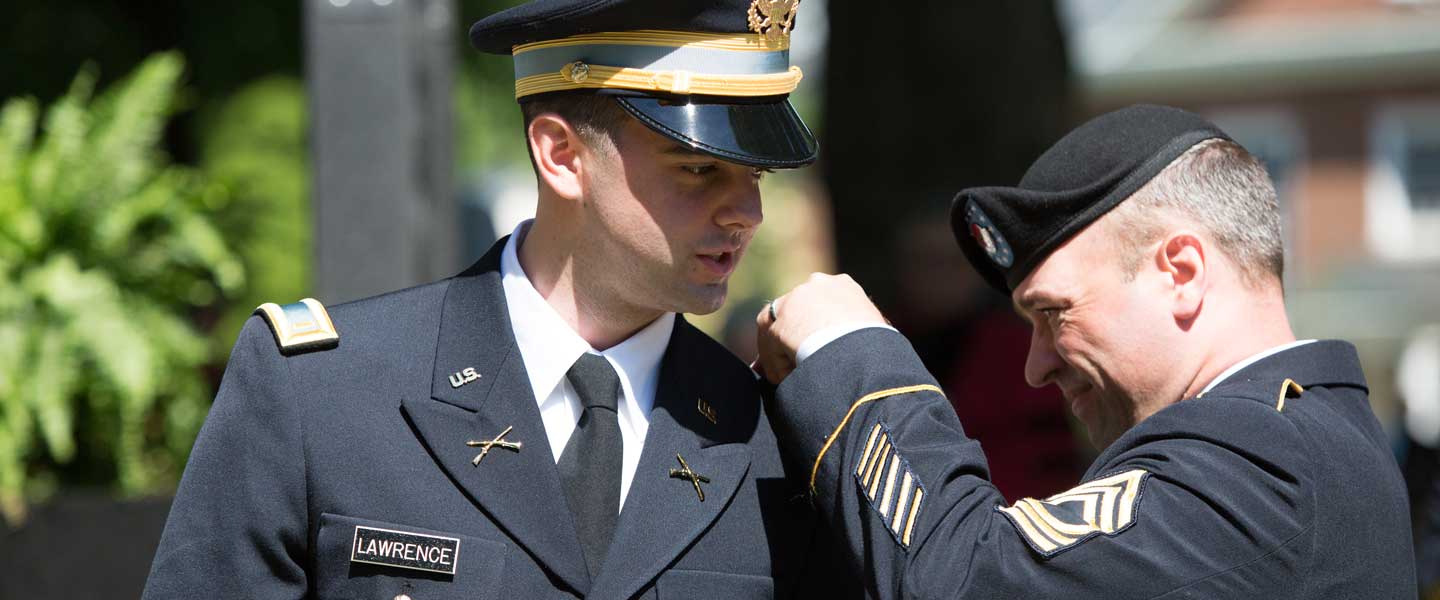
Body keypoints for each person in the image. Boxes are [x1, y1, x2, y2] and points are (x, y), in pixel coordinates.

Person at [143, 0, 830, 597]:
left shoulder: (771, 439)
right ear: (561, 154)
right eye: (700, 169)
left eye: (757, 175)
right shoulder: (319, 396)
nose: (747, 212)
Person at [754, 105, 1416, 597]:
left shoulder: (1257, 463)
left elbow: (965, 579)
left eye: (1054, 313)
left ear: (1180, 271)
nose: (1035, 366)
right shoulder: (1315, 432)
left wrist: (850, 351)